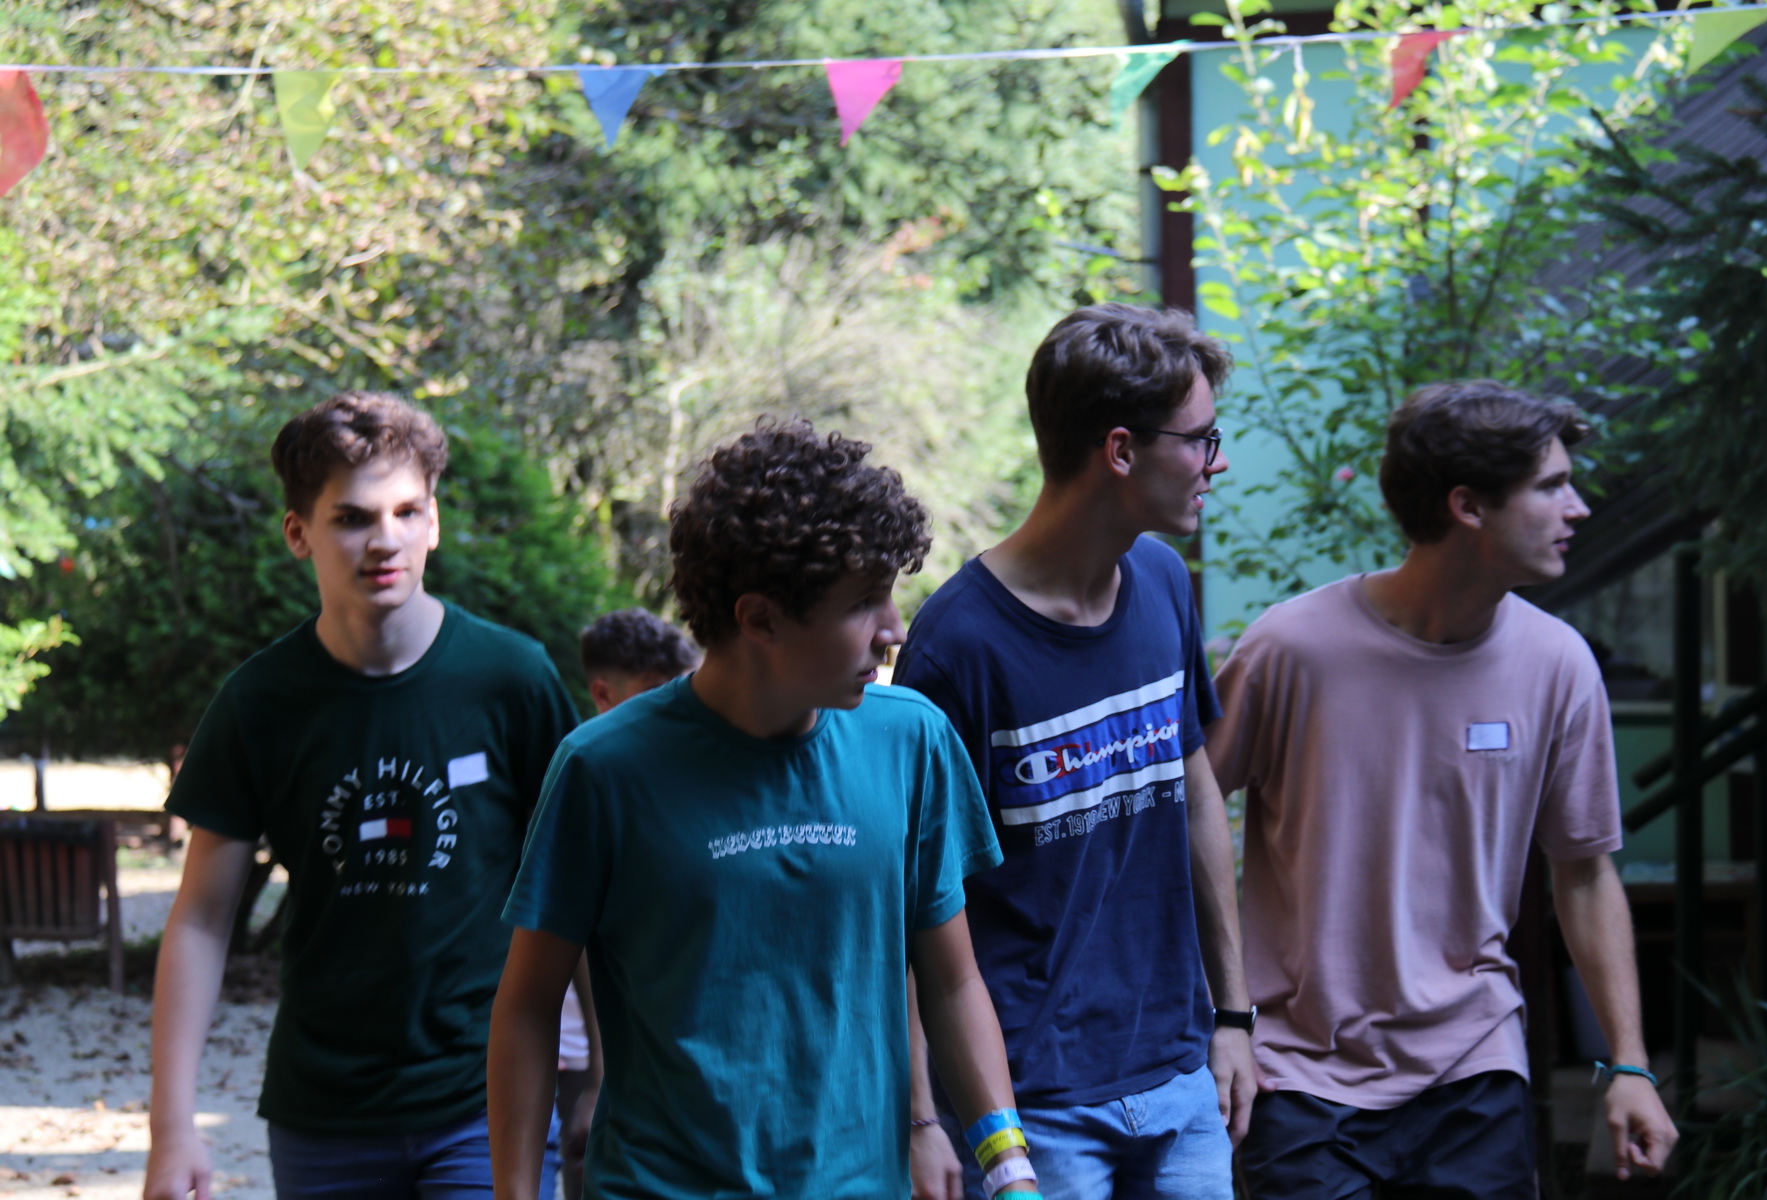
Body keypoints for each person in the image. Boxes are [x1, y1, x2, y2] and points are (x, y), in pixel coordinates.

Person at [487, 419, 1043, 1200]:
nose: (894, 631)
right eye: (863, 603)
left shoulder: (911, 740)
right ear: (759, 618)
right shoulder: (603, 769)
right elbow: (527, 1006)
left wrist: (1009, 1168)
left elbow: (952, 984)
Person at [1207, 380, 1680, 1197]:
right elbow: (1185, 816)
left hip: (1474, 1068)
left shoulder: (1558, 664)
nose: (1578, 509)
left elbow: (1583, 872)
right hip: (1300, 1075)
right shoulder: (1290, 648)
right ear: (1468, 506)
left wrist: (1630, 1064)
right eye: (1551, 487)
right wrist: (1226, 1017)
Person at [145, 392, 579, 1200]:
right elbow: (201, 919)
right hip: (322, 1112)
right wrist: (171, 1127)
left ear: (434, 522)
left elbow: (576, 887)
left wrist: (614, 1077)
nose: (386, 539)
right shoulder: (258, 704)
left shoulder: (512, 679)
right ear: (298, 533)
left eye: (407, 511)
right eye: (351, 518)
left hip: (486, 1101)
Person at [893, 303, 1255, 1200]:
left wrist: (1234, 1015)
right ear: (1121, 451)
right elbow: (912, 906)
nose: (1216, 463)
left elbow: (1196, 790)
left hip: (1180, 1077)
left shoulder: (1164, 583)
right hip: (1032, 1106)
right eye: (1200, 441)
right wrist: (925, 1120)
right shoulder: (956, 648)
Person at [550, 608, 702, 1200]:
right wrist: (598, 1075)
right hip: (576, 1054)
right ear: (603, 694)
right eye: (653, 692)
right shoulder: (580, 777)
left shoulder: (694, 775)